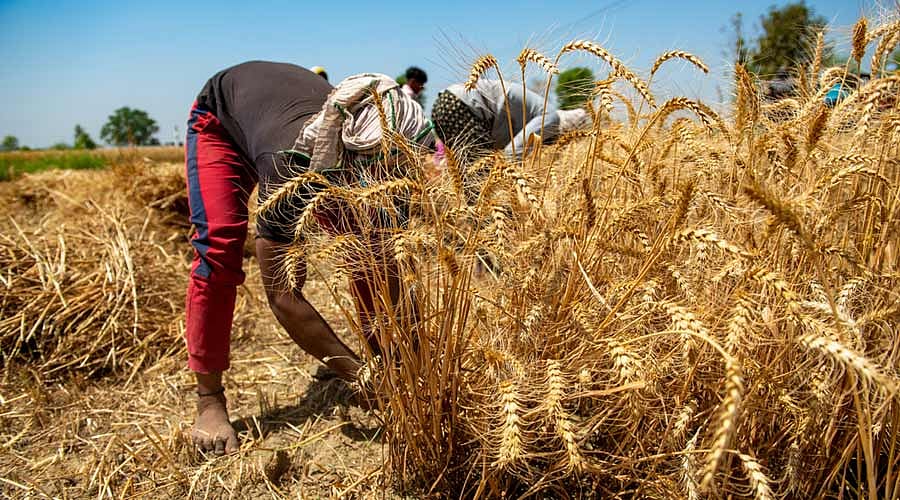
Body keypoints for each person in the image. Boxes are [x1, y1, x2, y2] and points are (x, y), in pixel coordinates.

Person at [184, 62, 430, 456]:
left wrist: (404, 364)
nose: (383, 184)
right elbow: (283, 296)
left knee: (371, 249)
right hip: (222, 121)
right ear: (348, 161)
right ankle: (209, 399)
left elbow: (384, 268)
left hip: (284, 120)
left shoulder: (386, 162)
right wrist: (359, 377)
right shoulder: (295, 163)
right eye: (374, 176)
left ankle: (386, 358)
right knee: (220, 245)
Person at [431, 79, 590, 159]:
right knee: (479, 175)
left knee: (471, 176)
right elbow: (512, 154)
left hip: (448, 105)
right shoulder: (550, 118)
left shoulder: (535, 117)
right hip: (458, 106)